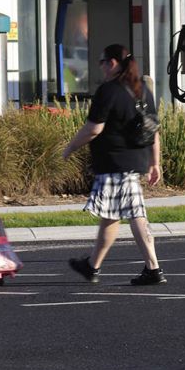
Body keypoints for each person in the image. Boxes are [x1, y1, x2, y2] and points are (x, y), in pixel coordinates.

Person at [62, 44, 166, 286]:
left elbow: (93, 128)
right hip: (134, 161)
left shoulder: (109, 91)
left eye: (101, 61)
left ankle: (153, 268)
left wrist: (69, 148)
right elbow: (154, 130)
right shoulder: (140, 89)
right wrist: (155, 163)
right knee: (115, 215)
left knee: (133, 215)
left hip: (114, 163)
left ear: (111, 63)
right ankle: (92, 266)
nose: (100, 66)